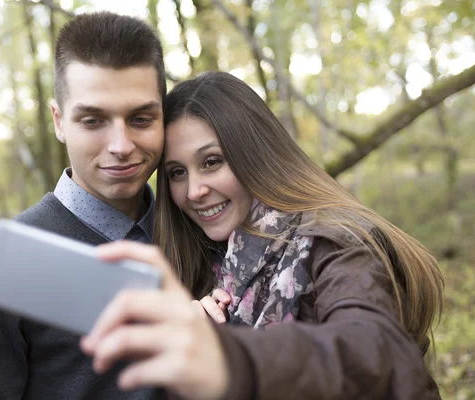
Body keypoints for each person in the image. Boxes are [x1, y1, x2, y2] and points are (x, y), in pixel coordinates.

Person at [80, 72, 444, 399]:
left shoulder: (337, 241)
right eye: (177, 172)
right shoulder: (208, 267)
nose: (194, 191)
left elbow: (371, 350)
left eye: (211, 162)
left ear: (255, 155)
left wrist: (225, 356)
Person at [0, 12, 167, 400]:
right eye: (93, 121)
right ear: (59, 122)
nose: (121, 145)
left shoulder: (200, 236)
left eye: (141, 118)